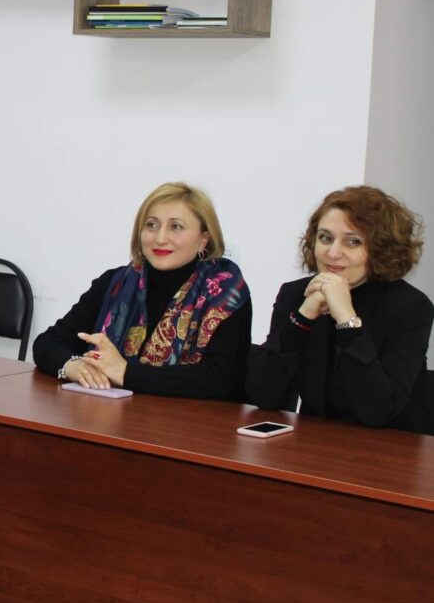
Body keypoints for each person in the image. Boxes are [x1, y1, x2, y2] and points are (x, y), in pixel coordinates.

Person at [32, 182, 251, 399]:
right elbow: (47, 343)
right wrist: (72, 366)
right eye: (151, 225)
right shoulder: (115, 284)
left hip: (193, 419)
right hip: (112, 415)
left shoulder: (226, 293)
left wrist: (125, 373)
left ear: (204, 239)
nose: (160, 238)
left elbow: (220, 380)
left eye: (176, 227)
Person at [247, 186, 434, 433]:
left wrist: (346, 319)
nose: (333, 253)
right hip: (314, 442)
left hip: (391, 445)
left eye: (353, 241)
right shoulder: (296, 295)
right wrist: (303, 317)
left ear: (381, 248)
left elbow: (378, 411)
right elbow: (264, 396)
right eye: (325, 238)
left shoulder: (410, 307)